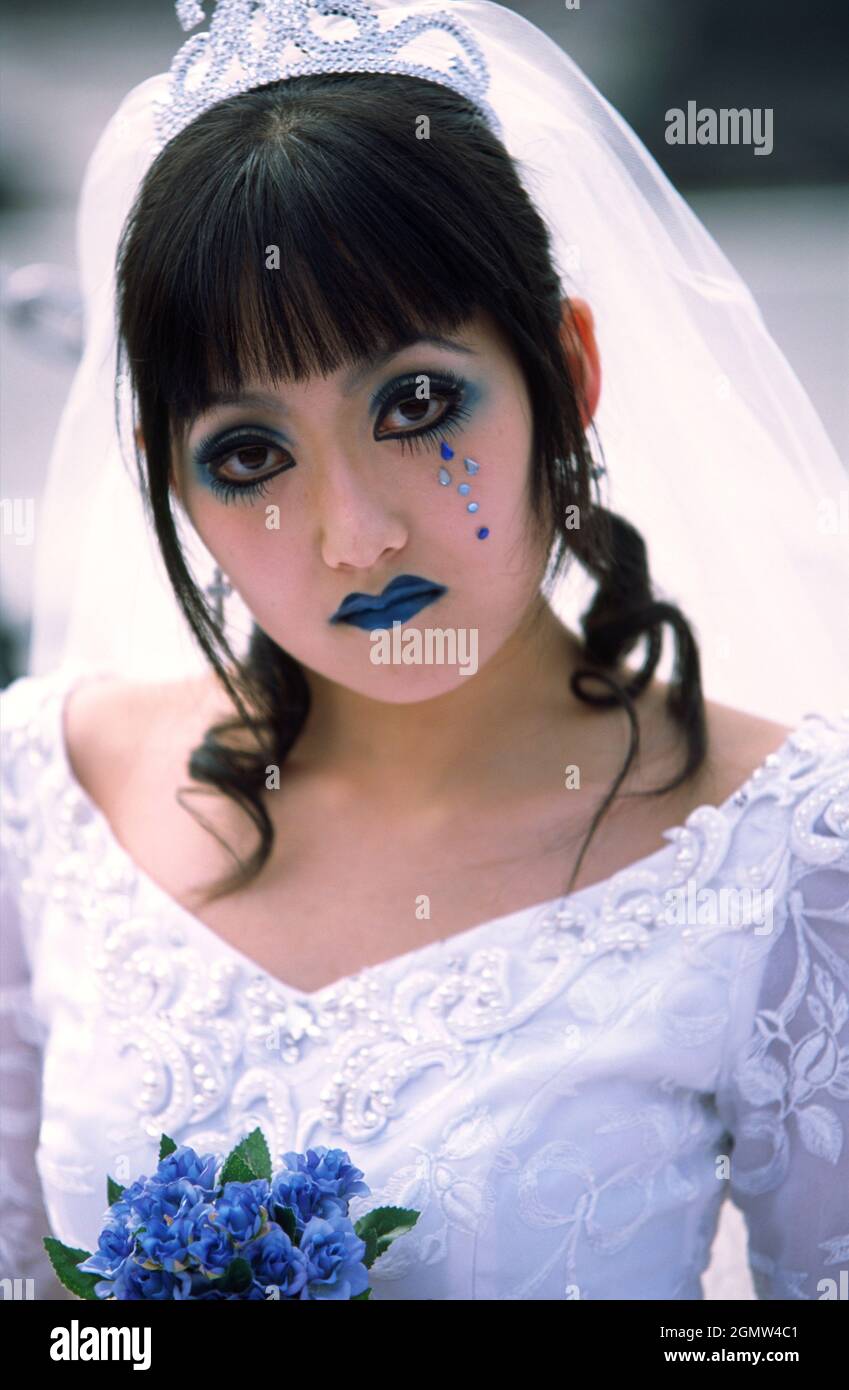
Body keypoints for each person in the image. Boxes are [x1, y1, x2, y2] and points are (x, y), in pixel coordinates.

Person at [1, 0, 847, 1302]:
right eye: (248, 453)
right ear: (166, 481)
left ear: (564, 367)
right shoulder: (46, 793)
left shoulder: (786, 848)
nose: (354, 532)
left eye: (414, 402)